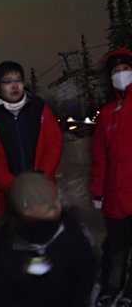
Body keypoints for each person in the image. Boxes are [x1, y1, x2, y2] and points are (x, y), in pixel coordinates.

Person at [0, 60, 63, 237]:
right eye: (7, 81)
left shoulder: (40, 111)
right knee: (6, 255)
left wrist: (39, 183)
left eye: (18, 80)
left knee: (42, 252)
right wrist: (17, 188)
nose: (14, 85)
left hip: (41, 199)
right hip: (2, 203)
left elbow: (54, 145)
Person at [0, 172, 94, 306]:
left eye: (52, 203)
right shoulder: (5, 246)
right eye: (45, 204)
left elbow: (84, 276)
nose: (57, 208)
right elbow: (2, 294)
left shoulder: (72, 232)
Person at [91, 47, 132, 307]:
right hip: (116, 194)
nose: (121, 74)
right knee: (115, 246)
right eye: (116, 71)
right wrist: (98, 190)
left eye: (125, 69)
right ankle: (110, 286)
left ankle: (129, 290)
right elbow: (100, 156)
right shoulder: (108, 112)